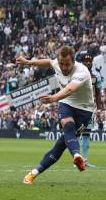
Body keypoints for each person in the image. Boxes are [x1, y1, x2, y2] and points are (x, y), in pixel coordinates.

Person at [16, 46, 95, 184]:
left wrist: (53, 98)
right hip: (66, 103)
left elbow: (70, 89)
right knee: (67, 125)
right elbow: (48, 62)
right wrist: (29, 62)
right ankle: (77, 155)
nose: (63, 67)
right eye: (61, 63)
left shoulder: (82, 71)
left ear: (73, 61)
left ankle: (33, 173)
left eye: (67, 64)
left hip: (85, 110)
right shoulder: (57, 63)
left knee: (61, 144)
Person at [79, 52, 103, 168]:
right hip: (76, 106)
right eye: (85, 61)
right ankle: (77, 158)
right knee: (75, 133)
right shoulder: (76, 74)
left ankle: (84, 160)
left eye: (89, 61)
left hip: (88, 108)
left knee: (86, 134)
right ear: (82, 62)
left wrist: (99, 109)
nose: (88, 63)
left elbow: (98, 94)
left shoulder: (95, 76)